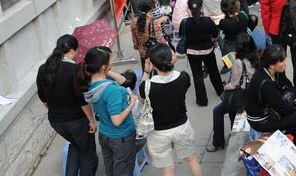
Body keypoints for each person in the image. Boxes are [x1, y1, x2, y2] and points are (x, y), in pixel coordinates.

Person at [36, 35, 98, 176]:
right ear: (72, 50)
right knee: (88, 153)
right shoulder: (74, 69)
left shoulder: (43, 69)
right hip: (77, 121)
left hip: (56, 121)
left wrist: (55, 109)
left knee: (75, 146)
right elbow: (83, 101)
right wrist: (91, 121)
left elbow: (42, 97)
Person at [139, 45, 202, 176]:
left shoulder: (147, 86)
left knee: (168, 169)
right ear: (170, 60)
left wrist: (146, 72)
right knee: (191, 159)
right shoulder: (184, 77)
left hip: (158, 132)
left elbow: (141, 98)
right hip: (182, 126)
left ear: (152, 62)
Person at [78, 47, 137, 176]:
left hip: (105, 134)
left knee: (110, 168)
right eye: (111, 59)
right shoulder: (111, 90)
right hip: (121, 136)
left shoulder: (90, 84)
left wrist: (105, 71)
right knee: (123, 171)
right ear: (103, 66)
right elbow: (116, 121)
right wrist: (130, 105)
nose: (113, 61)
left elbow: (125, 82)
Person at [245, 45, 296, 147]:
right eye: (282, 61)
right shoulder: (265, 83)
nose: (285, 64)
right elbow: (282, 108)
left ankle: (292, 132)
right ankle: (289, 147)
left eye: (284, 60)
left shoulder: (276, 70)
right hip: (262, 120)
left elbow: (288, 85)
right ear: (272, 65)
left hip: (272, 106)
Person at [207, 33, 257, 152]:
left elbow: (233, 84)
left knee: (217, 111)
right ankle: (234, 133)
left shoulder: (238, 62)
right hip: (252, 94)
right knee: (231, 111)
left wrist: (224, 87)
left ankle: (217, 142)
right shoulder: (256, 57)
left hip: (241, 96)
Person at [184, 0, 224, 106]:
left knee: (197, 75)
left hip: (192, 52)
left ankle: (202, 100)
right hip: (207, 50)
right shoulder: (208, 21)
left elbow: (183, 35)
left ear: (189, 8)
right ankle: (220, 90)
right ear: (202, 7)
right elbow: (215, 35)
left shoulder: (185, 22)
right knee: (213, 70)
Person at [131, 0, 169, 70]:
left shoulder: (134, 21)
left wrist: (138, 47)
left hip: (142, 52)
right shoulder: (154, 22)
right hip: (155, 52)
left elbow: (135, 40)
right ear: (151, 8)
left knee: (146, 71)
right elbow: (160, 39)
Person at [218, 0, 249, 73]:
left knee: (233, 67)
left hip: (230, 46)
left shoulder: (223, 22)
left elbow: (221, 31)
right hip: (244, 43)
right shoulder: (243, 15)